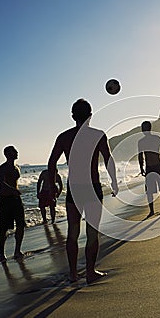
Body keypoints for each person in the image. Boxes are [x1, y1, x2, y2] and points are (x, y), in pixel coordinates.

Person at [48, 99, 118, 284]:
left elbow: (51, 163)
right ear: (90, 115)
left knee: (73, 231)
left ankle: (72, 274)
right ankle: (90, 272)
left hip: (74, 188)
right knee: (92, 232)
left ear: (73, 116)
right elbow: (109, 160)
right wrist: (114, 182)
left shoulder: (64, 137)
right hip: (92, 187)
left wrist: (52, 186)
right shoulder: (98, 135)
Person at [0, 146, 26, 262]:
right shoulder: (2, 168)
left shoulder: (17, 167)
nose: (17, 153)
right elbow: (2, 183)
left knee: (21, 224)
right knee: (4, 228)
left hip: (16, 199)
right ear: (7, 154)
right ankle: (2, 253)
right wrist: (13, 190)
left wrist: (15, 192)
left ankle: (17, 250)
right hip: (5, 199)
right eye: (14, 151)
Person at [138, 121, 160, 218]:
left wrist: (141, 167)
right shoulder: (154, 139)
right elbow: (140, 155)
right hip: (153, 166)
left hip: (153, 166)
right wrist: (141, 167)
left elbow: (140, 156)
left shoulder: (143, 141)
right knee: (153, 189)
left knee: (158, 188)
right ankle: (158, 210)